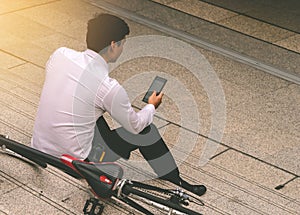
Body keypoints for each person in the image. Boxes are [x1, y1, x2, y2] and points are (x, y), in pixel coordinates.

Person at [31, 13, 206, 196]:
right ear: (113, 45)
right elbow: (136, 125)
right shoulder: (108, 87)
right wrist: (152, 106)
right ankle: (174, 178)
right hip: (75, 164)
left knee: (89, 110)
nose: (122, 49)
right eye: (122, 44)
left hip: (38, 149)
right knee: (146, 131)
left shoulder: (60, 54)